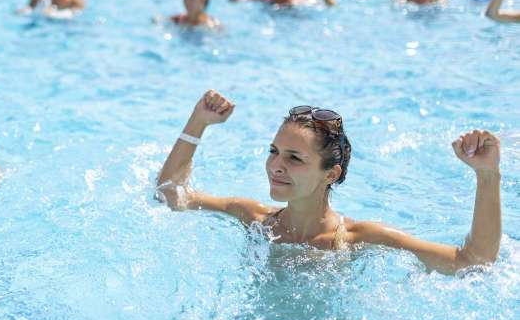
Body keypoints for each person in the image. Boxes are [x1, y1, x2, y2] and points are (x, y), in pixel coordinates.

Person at [155, 91, 503, 275]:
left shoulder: (358, 239)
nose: (276, 166)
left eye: (294, 158)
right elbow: (171, 195)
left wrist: (487, 175)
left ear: (331, 174)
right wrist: (198, 122)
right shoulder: (255, 218)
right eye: (274, 152)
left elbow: (474, 261)